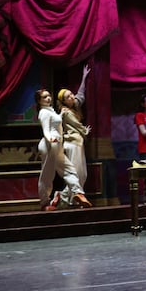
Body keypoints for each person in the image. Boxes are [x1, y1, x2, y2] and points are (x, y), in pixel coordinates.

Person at [35, 88, 92, 211]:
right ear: (39, 101)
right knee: (47, 174)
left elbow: (56, 123)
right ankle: (45, 203)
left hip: (57, 145)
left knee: (69, 169)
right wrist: (50, 138)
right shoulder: (43, 112)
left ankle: (78, 192)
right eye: (44, 97)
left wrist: (60, 115)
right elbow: (46, 129)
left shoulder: (51, 111)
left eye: (49, 95)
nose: (48, 98)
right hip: (49, 144)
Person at [57, 64, 91, 206]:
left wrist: (84, 77)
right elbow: (77, 125)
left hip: (78, 144)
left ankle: (69, 200)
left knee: (81, 175)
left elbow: (80, 94)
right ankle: (64, 198)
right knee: (77, 175)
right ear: (63, 101)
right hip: (72, 144)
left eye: (71, 94)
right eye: (68, 97)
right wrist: (85, 131)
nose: (72, 97)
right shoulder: (66, 112)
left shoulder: (74, 105)